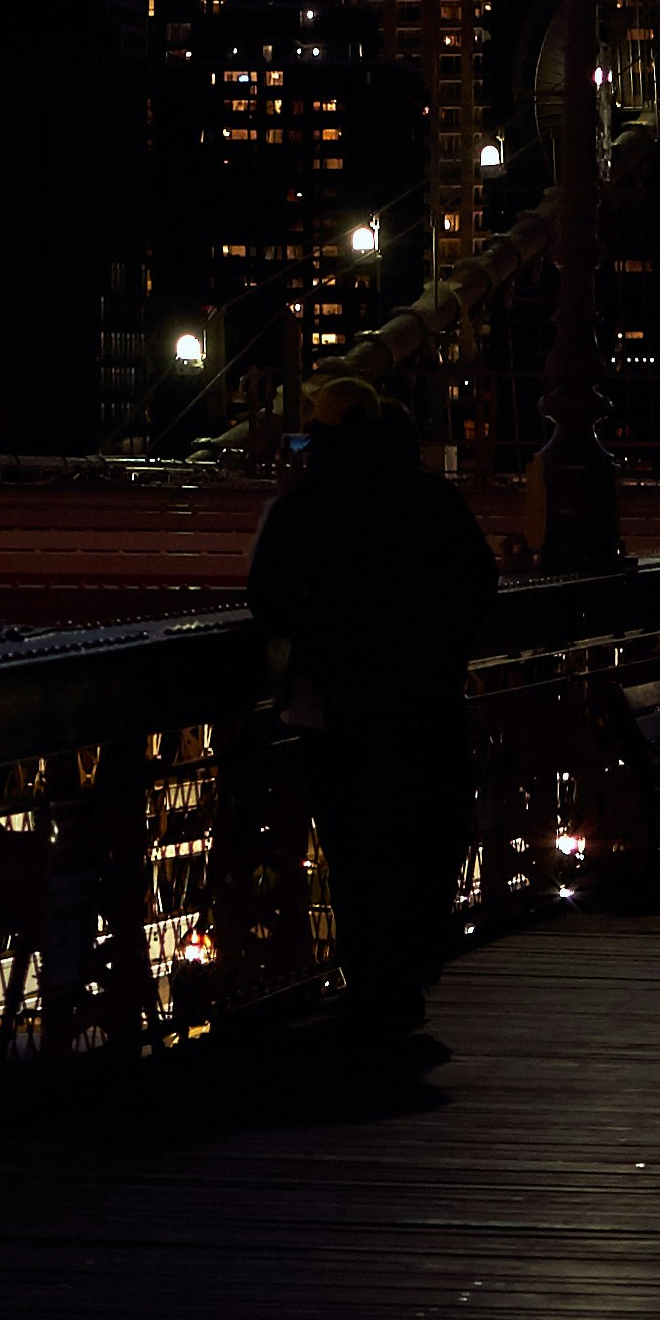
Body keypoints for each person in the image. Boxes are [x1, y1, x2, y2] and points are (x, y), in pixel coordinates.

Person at [247, 382, 501, 1081]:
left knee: (355, 850)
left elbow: (266, 601)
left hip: (338, 707)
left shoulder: (306, 509)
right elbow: (481, 583)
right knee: (427, 833)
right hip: (426, 700)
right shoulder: (433, 501)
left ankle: (373, 982)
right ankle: (410, 966)